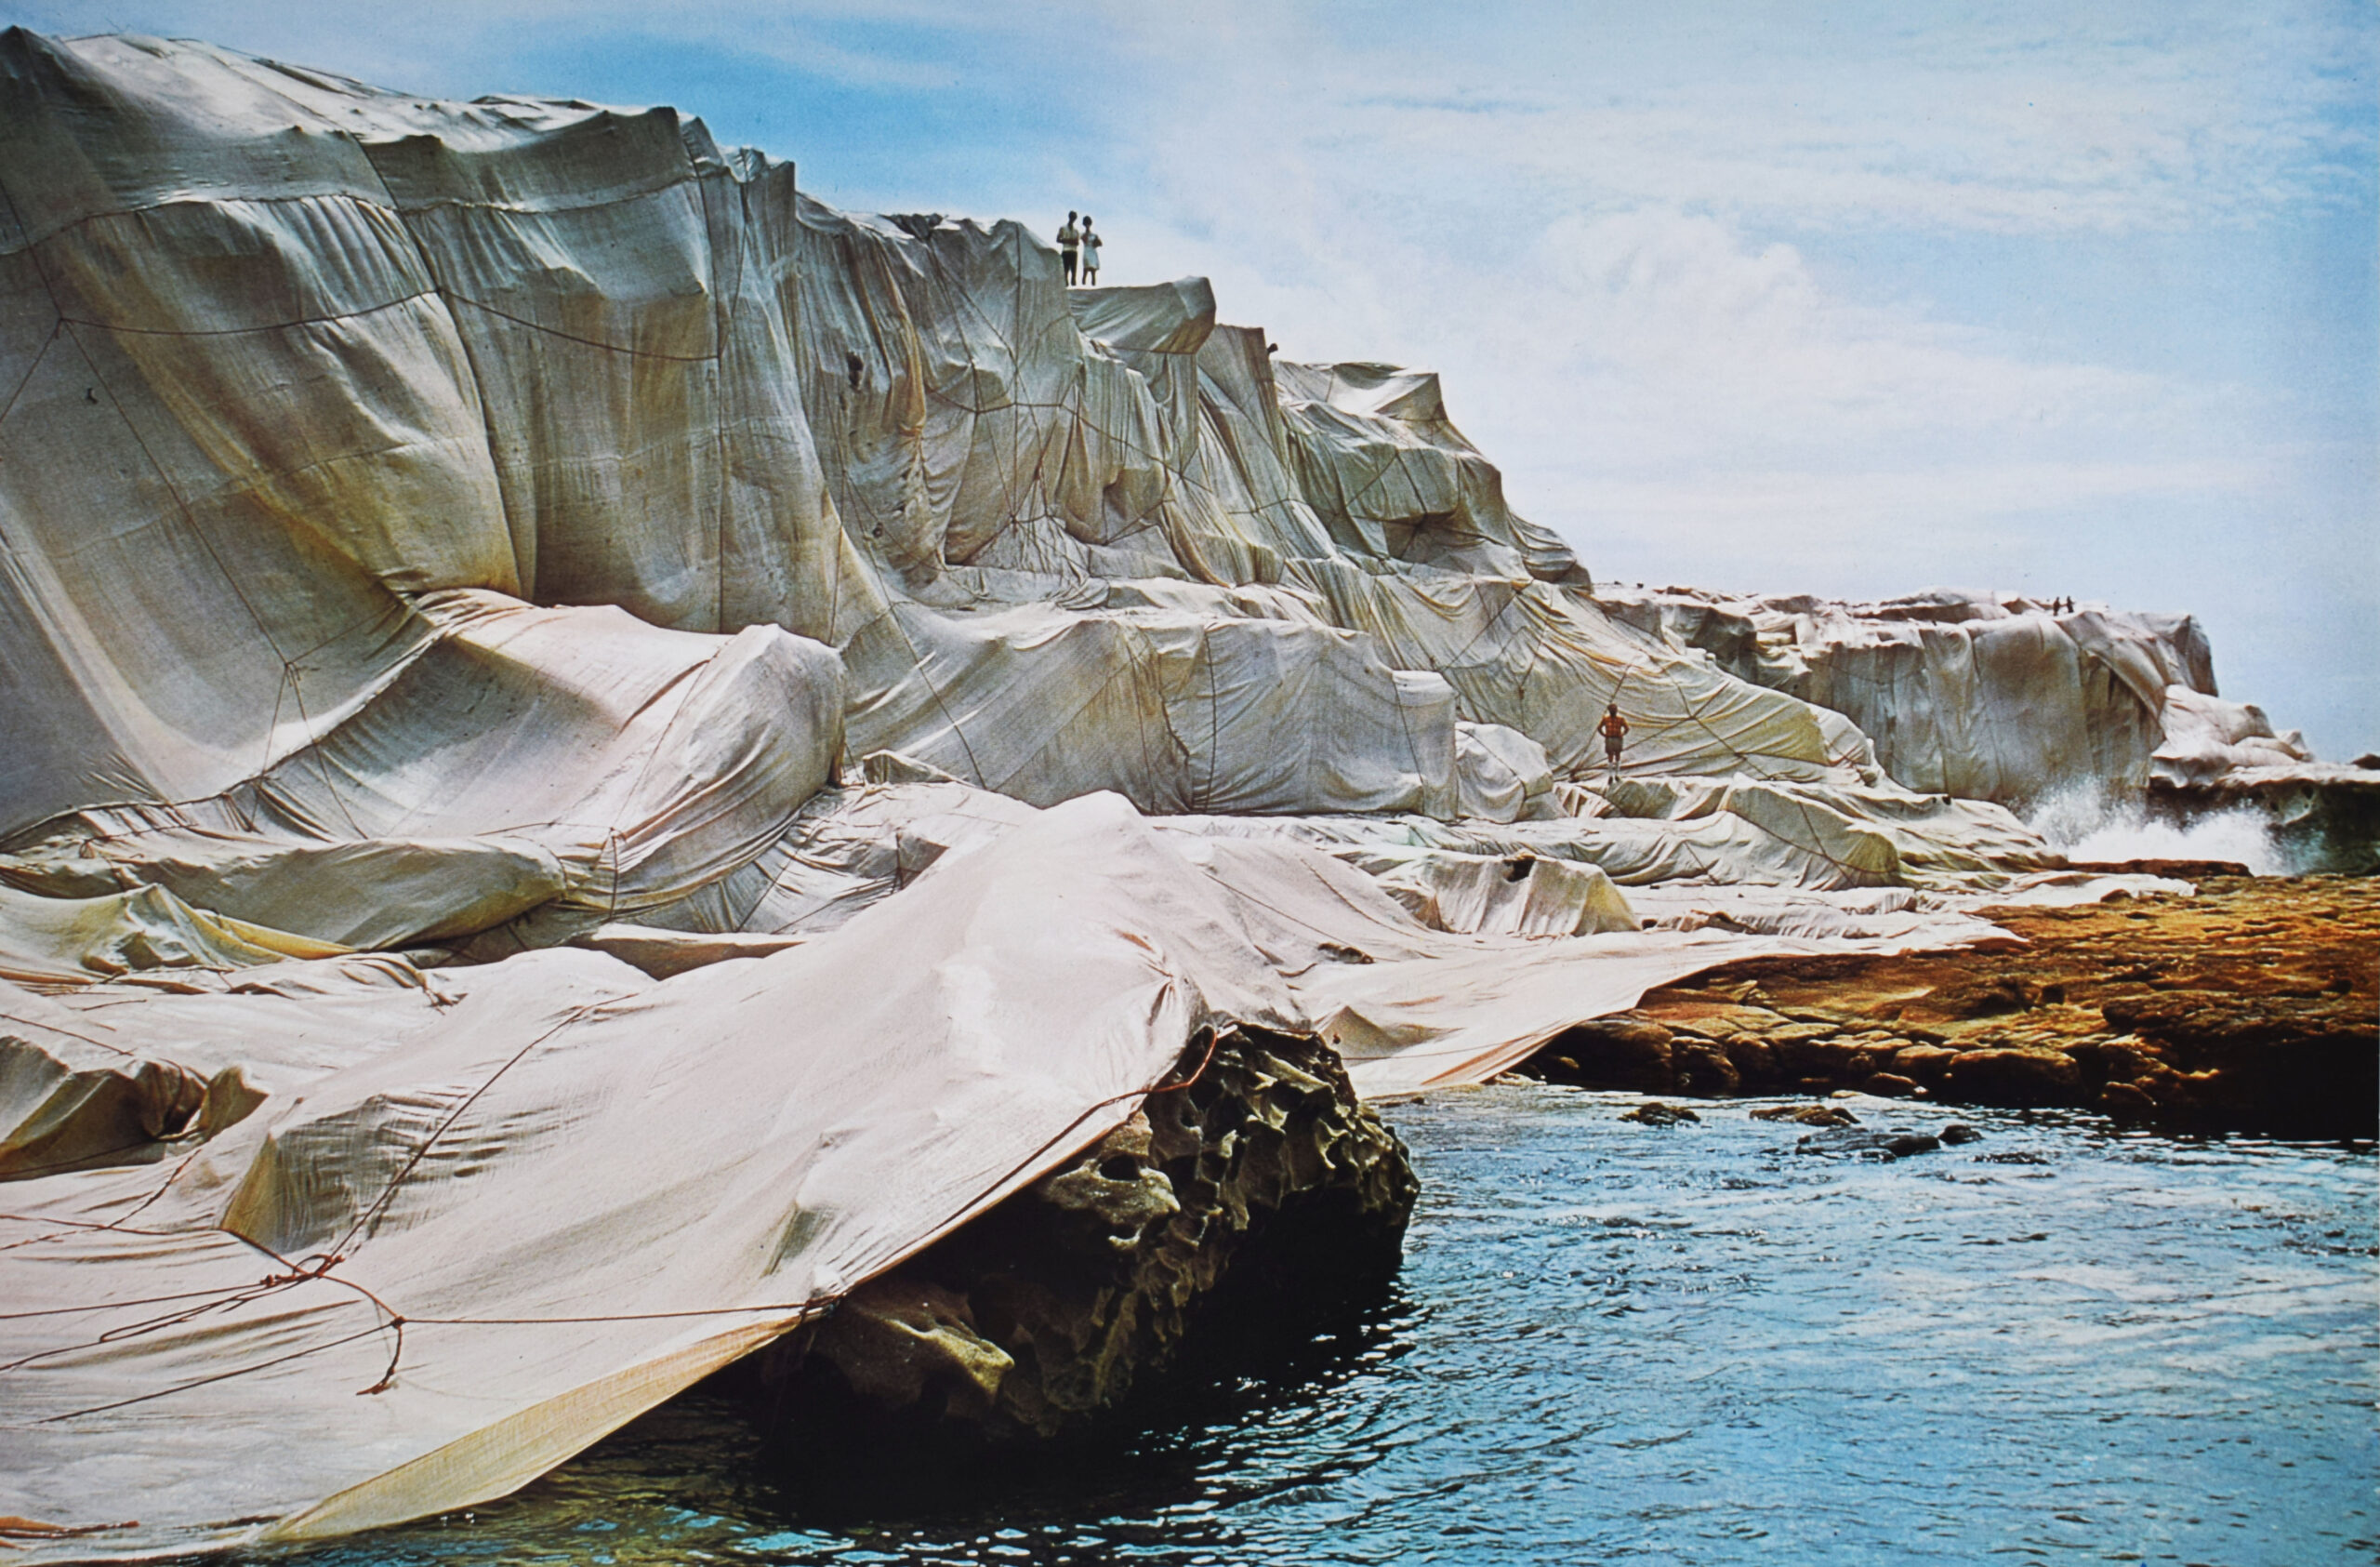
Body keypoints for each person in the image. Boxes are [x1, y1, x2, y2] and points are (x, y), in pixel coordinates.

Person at [1597, 702, 1630, 778]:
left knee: (1618, 755)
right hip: (1609, 739)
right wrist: (1604, 735)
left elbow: (1627, 728)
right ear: (1609, 710)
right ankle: (1610, 775)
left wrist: (1622, 734)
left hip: (1618, 738)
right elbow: (1599, 728)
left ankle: (1617, 774)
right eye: (1612, 709)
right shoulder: (1605, 719)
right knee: (1610, 756)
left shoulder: (1620, 719)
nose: (1614, 711)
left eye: (1615, 709)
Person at [1057, 211, 1081, 286]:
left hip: (1073, 251)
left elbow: (1077, 242)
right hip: (1066, 250)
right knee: (1065, 269)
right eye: (1072, 217)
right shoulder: (1063, 228)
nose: (1073, 219)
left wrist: (1066, 240)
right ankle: (1065, 284)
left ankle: (1073, 283)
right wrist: (1069, 241)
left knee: (1074, 270)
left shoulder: (1076, 230)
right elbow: (1058, 239)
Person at [1080, 216, 1102, 284]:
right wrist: (1087, 232)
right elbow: (1085, 241)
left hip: (1093, 251)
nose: (1087, 225)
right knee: (1086, 270)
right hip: (1087, 251)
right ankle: (1083, 284)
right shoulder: (1082, 234)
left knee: (1093, 271)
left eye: (1088, 224)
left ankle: (1093, 285)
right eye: (1086, 224)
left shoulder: (1094, 235)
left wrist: (1096, 241)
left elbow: (1100, 244)